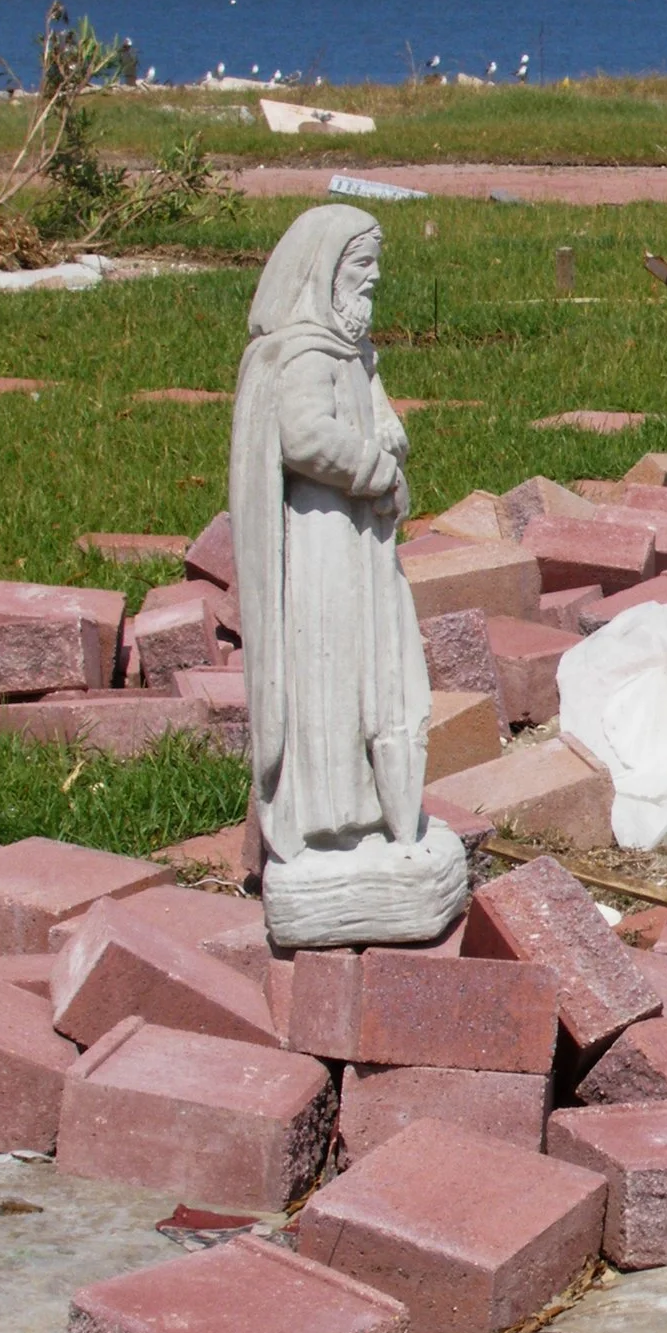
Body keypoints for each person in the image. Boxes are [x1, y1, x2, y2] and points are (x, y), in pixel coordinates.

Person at [229, 204, 464, 942]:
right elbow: (304, 437)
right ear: (325, 271)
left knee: (379, 673)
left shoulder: (352, 352)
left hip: (363, 538)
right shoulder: (303, 351)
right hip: (325, 539)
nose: (373, 283)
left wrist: (388, 432)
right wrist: (372, 467)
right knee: (332, 678)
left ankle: (378, 813)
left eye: (374, 271)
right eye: (361, 270)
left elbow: (378, 417)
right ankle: (330, 819)